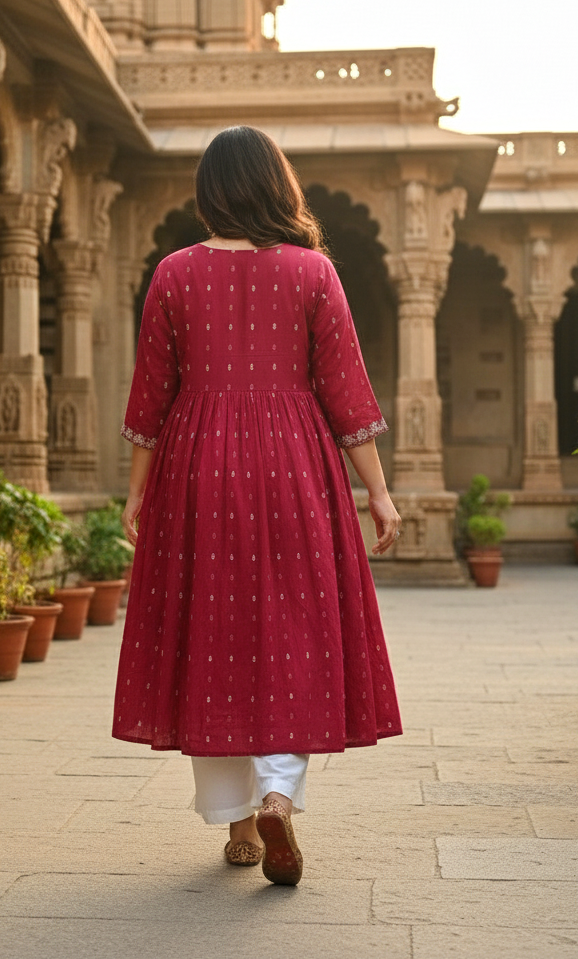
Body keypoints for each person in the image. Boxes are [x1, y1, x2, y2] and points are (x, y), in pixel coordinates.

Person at [115, 125, 402, 887]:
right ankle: (280, 789)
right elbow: (346, 393)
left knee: (213, 633)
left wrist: (135, 496)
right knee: (291, 629)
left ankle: (240, 827)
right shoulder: (313, 273)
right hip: (294, 467)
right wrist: (376, 490)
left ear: (208, 193)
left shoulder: (174, 273)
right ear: (280, 188)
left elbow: (152, 397)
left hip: (197, 468)